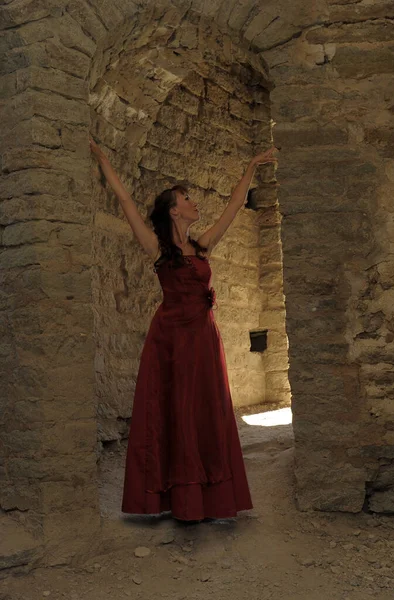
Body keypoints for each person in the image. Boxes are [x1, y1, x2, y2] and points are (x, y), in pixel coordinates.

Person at [90, 137, 278, 522]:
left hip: (203, 337)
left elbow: (232, 208)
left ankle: (207, 498)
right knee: (175, 410)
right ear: (174, 211)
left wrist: (252, 167)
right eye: (187, 199)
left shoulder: (203, 245)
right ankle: (180, 501)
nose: (195, 203)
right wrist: (104, 159)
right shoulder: (157, 248)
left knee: (206, 409)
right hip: (171, 339)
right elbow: (126, 202)